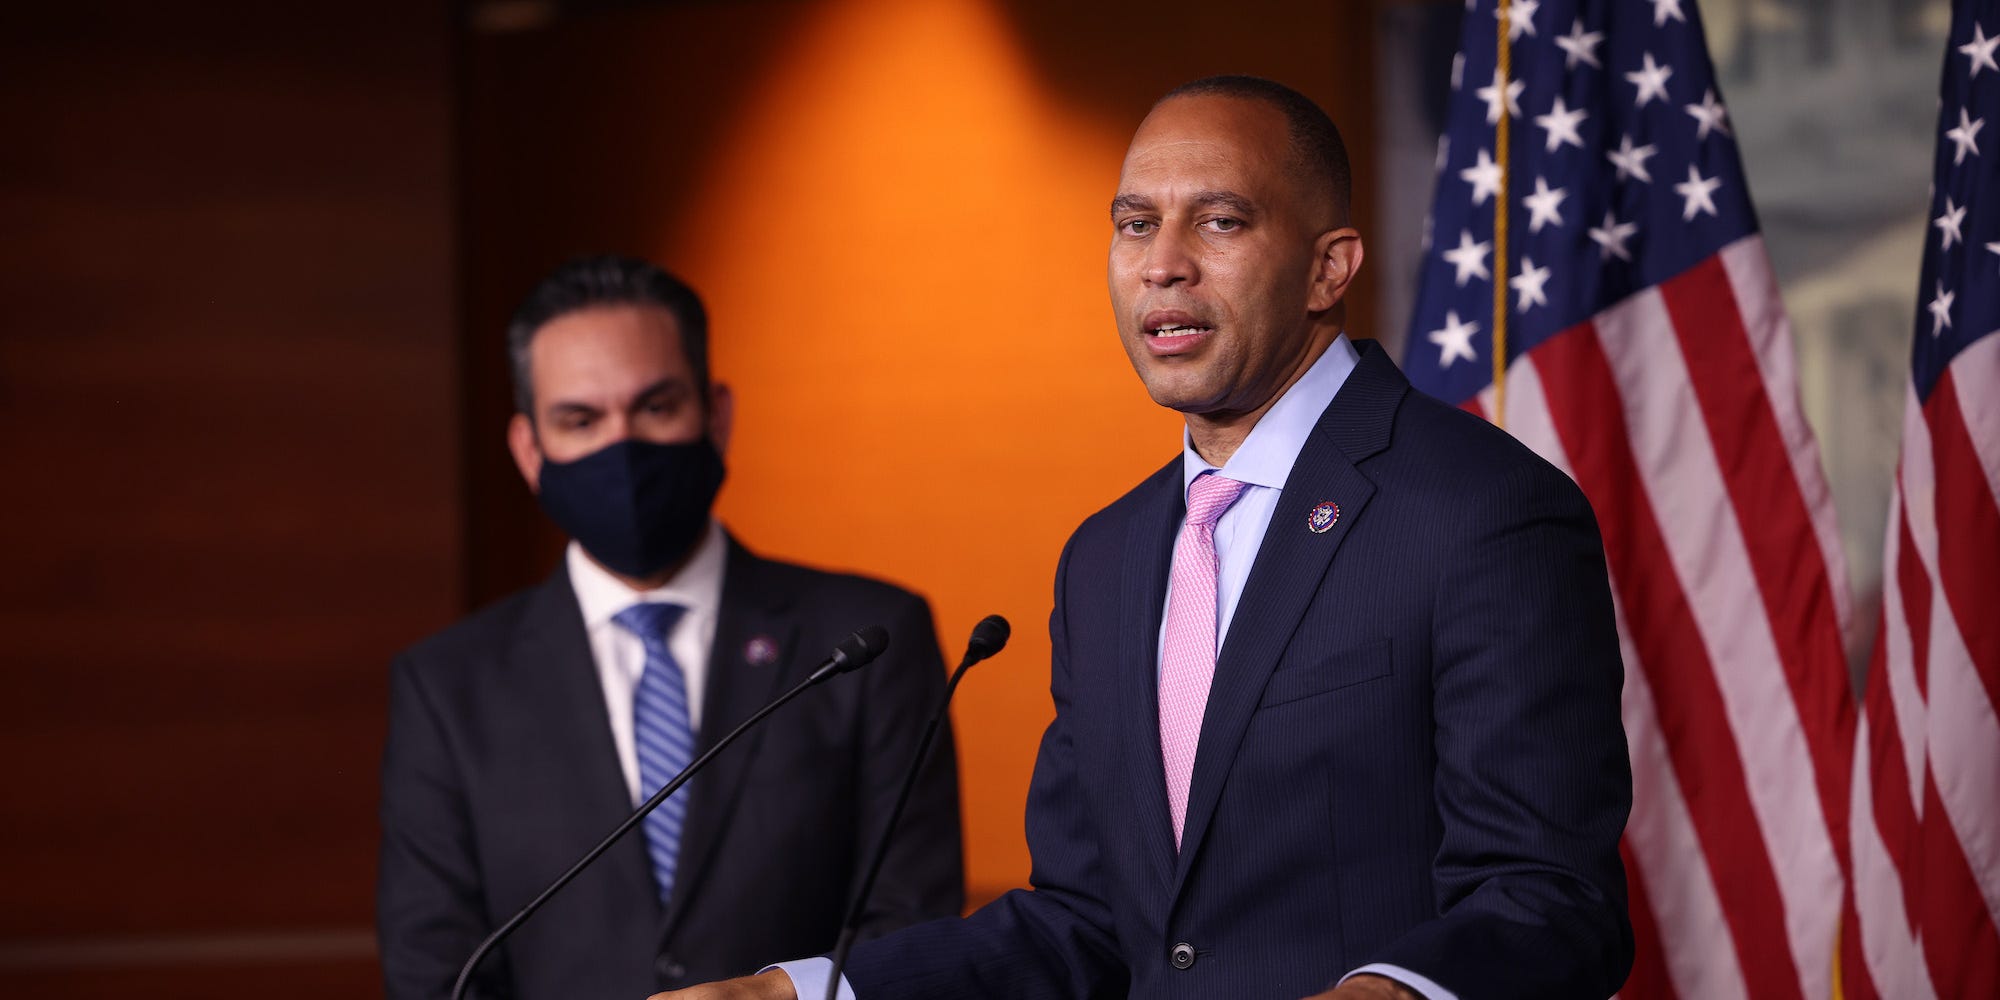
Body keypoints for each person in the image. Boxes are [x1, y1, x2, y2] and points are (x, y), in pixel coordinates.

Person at [655, 74, 1633, 1000]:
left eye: (1218, 220)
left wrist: (1393, 990)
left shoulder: (1480, 511)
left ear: (1327, 268)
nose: (1160, 261)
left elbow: (1550, 896)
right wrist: (805, 989)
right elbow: (1082, 924)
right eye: (1133, 224)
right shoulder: (1106, 557)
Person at [376, 257, 965, 1000]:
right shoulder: (448, 687)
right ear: (530, 451)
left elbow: (910, 932)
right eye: (580, 420)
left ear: (716, 417)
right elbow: (436, 973)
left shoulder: (869, 639)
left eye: (656, 407)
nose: (622, 449)